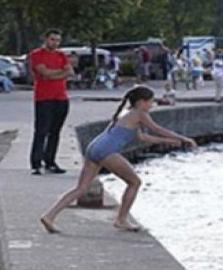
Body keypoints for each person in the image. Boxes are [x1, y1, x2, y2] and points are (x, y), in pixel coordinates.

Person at [39, 86, 197, 233]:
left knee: (81, 189)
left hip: (95, 147)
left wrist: (172, 142)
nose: (152, 105)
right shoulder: (139, 114)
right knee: (134, 182)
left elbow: (143, 137)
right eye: (151, 101)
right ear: (141, 102)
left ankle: (50, 215)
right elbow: (157, 129)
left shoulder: (126, 113)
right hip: (107, 151)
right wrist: (184, 138)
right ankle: (121, 220)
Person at [29, 29, 75, 175]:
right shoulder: (37, 54)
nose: (54, 43)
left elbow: (70, 72)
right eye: (52, 39)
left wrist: (53, 74)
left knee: (55, 132)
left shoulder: (61, 55)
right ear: (46, 39)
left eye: (57, 40)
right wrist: (60, 72)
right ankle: (36, 162)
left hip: (61, 97)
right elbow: (43, 72)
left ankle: (50, 161)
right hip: (44, 98)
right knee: (41, 130)